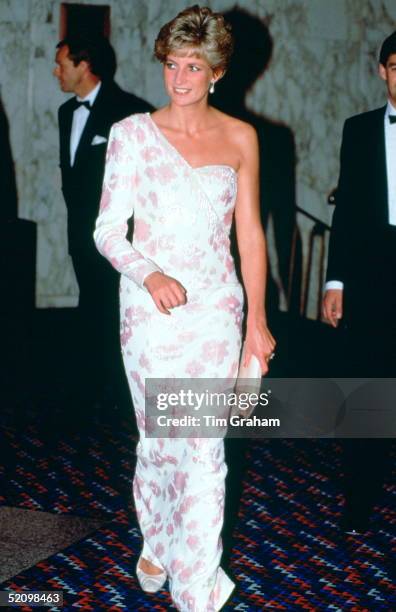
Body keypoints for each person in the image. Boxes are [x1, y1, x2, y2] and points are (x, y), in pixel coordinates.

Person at [94, 5, 275, 610]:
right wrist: (150, 274)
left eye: (193, 66)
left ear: (217, 71)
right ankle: (157, 535)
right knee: (159, 441)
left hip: (216, 310)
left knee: (204, 448)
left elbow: (249, 236)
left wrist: (257, 321)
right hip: (151, 313)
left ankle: (196, 589)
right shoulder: (131, 135)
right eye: (172, 64)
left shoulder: (242, 138)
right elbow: (107, 232)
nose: (179, 78)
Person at [54, 34, 153, 415]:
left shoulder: (129, 111)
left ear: (84, 65)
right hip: (80, 235)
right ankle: (93, 390)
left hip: (119, 237)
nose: (56, 71)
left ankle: (121, 395)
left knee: (117, 312)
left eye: (62, 63)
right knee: (92, 309)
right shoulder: (66, 113)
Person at [323, 32, 396, 534]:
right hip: (372, 275)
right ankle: (359, 500)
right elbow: (346, 210)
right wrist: (336, 280)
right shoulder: (359, 129)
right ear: (382, 71)